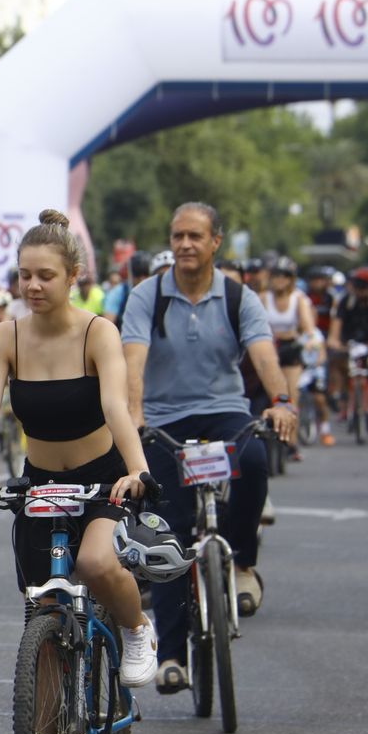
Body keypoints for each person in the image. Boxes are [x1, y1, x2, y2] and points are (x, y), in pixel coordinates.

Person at [0, 211, 160, 687]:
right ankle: (47, 726)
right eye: (24, 275)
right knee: (42, 607)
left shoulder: (98, 332)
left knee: (93, 563)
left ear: (73, 276)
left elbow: (115, 407)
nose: (32, 286)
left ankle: (137, 629)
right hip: (41, 485)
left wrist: (138, 471)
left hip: (102, 479)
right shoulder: (6, 336)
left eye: (45, 276)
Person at [122, 202, 296, 693]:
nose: (185, 244)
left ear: (215, 242)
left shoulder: (239, 297)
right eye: (177, 236)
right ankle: (172, 657)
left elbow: (263, 354)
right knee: (170, 532)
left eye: (195, 236)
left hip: (224, 412)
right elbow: (132, 361)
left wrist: (281, 402)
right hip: (164, 420)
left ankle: (242, 563)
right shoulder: (147, 295)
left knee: (255, 460)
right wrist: (134, 418)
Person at [262, 257, 319, 457]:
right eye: (276, 275)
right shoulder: (263, 298)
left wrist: (310, 339)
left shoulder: (298, 299)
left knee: (290, 396)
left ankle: (291, 442)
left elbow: (308, 326)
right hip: (267, 350)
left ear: (291, 279)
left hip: (290, 349)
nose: (280, 280)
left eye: (284, 276)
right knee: (264, 394)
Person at [329, 266, 368, 411]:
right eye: (358, 286)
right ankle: (340, 394)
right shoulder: (345, 301)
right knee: (336, 361)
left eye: (364, 287)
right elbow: (335, 328)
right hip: (349, 343)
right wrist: (335, 342)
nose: (360, 291)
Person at [103, 252, 153, 326]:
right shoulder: (118, 292)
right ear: (130, 275)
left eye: (145, 275)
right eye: (137, 275)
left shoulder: (155, 292)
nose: (142, 280)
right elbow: (108, 324)